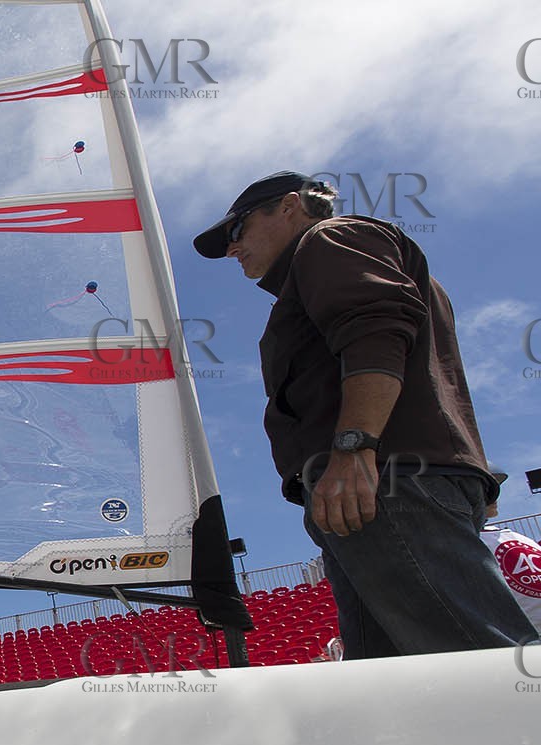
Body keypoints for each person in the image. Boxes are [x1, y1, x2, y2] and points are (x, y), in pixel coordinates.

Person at [193, 172, 538, 657]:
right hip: (377, 488)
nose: (233, 248)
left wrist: (354, 449)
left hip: (381, 482)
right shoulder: (335, 263)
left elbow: (375, 333)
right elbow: (436, 379)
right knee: (398, 680)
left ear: (290, 206)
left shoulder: (330, 239)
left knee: (476, 660)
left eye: (238, 230)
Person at [481, 474, 541, 630]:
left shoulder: (517, 537)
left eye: (493, 487)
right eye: (483, 488)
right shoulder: (464, 542)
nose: (494, 493)